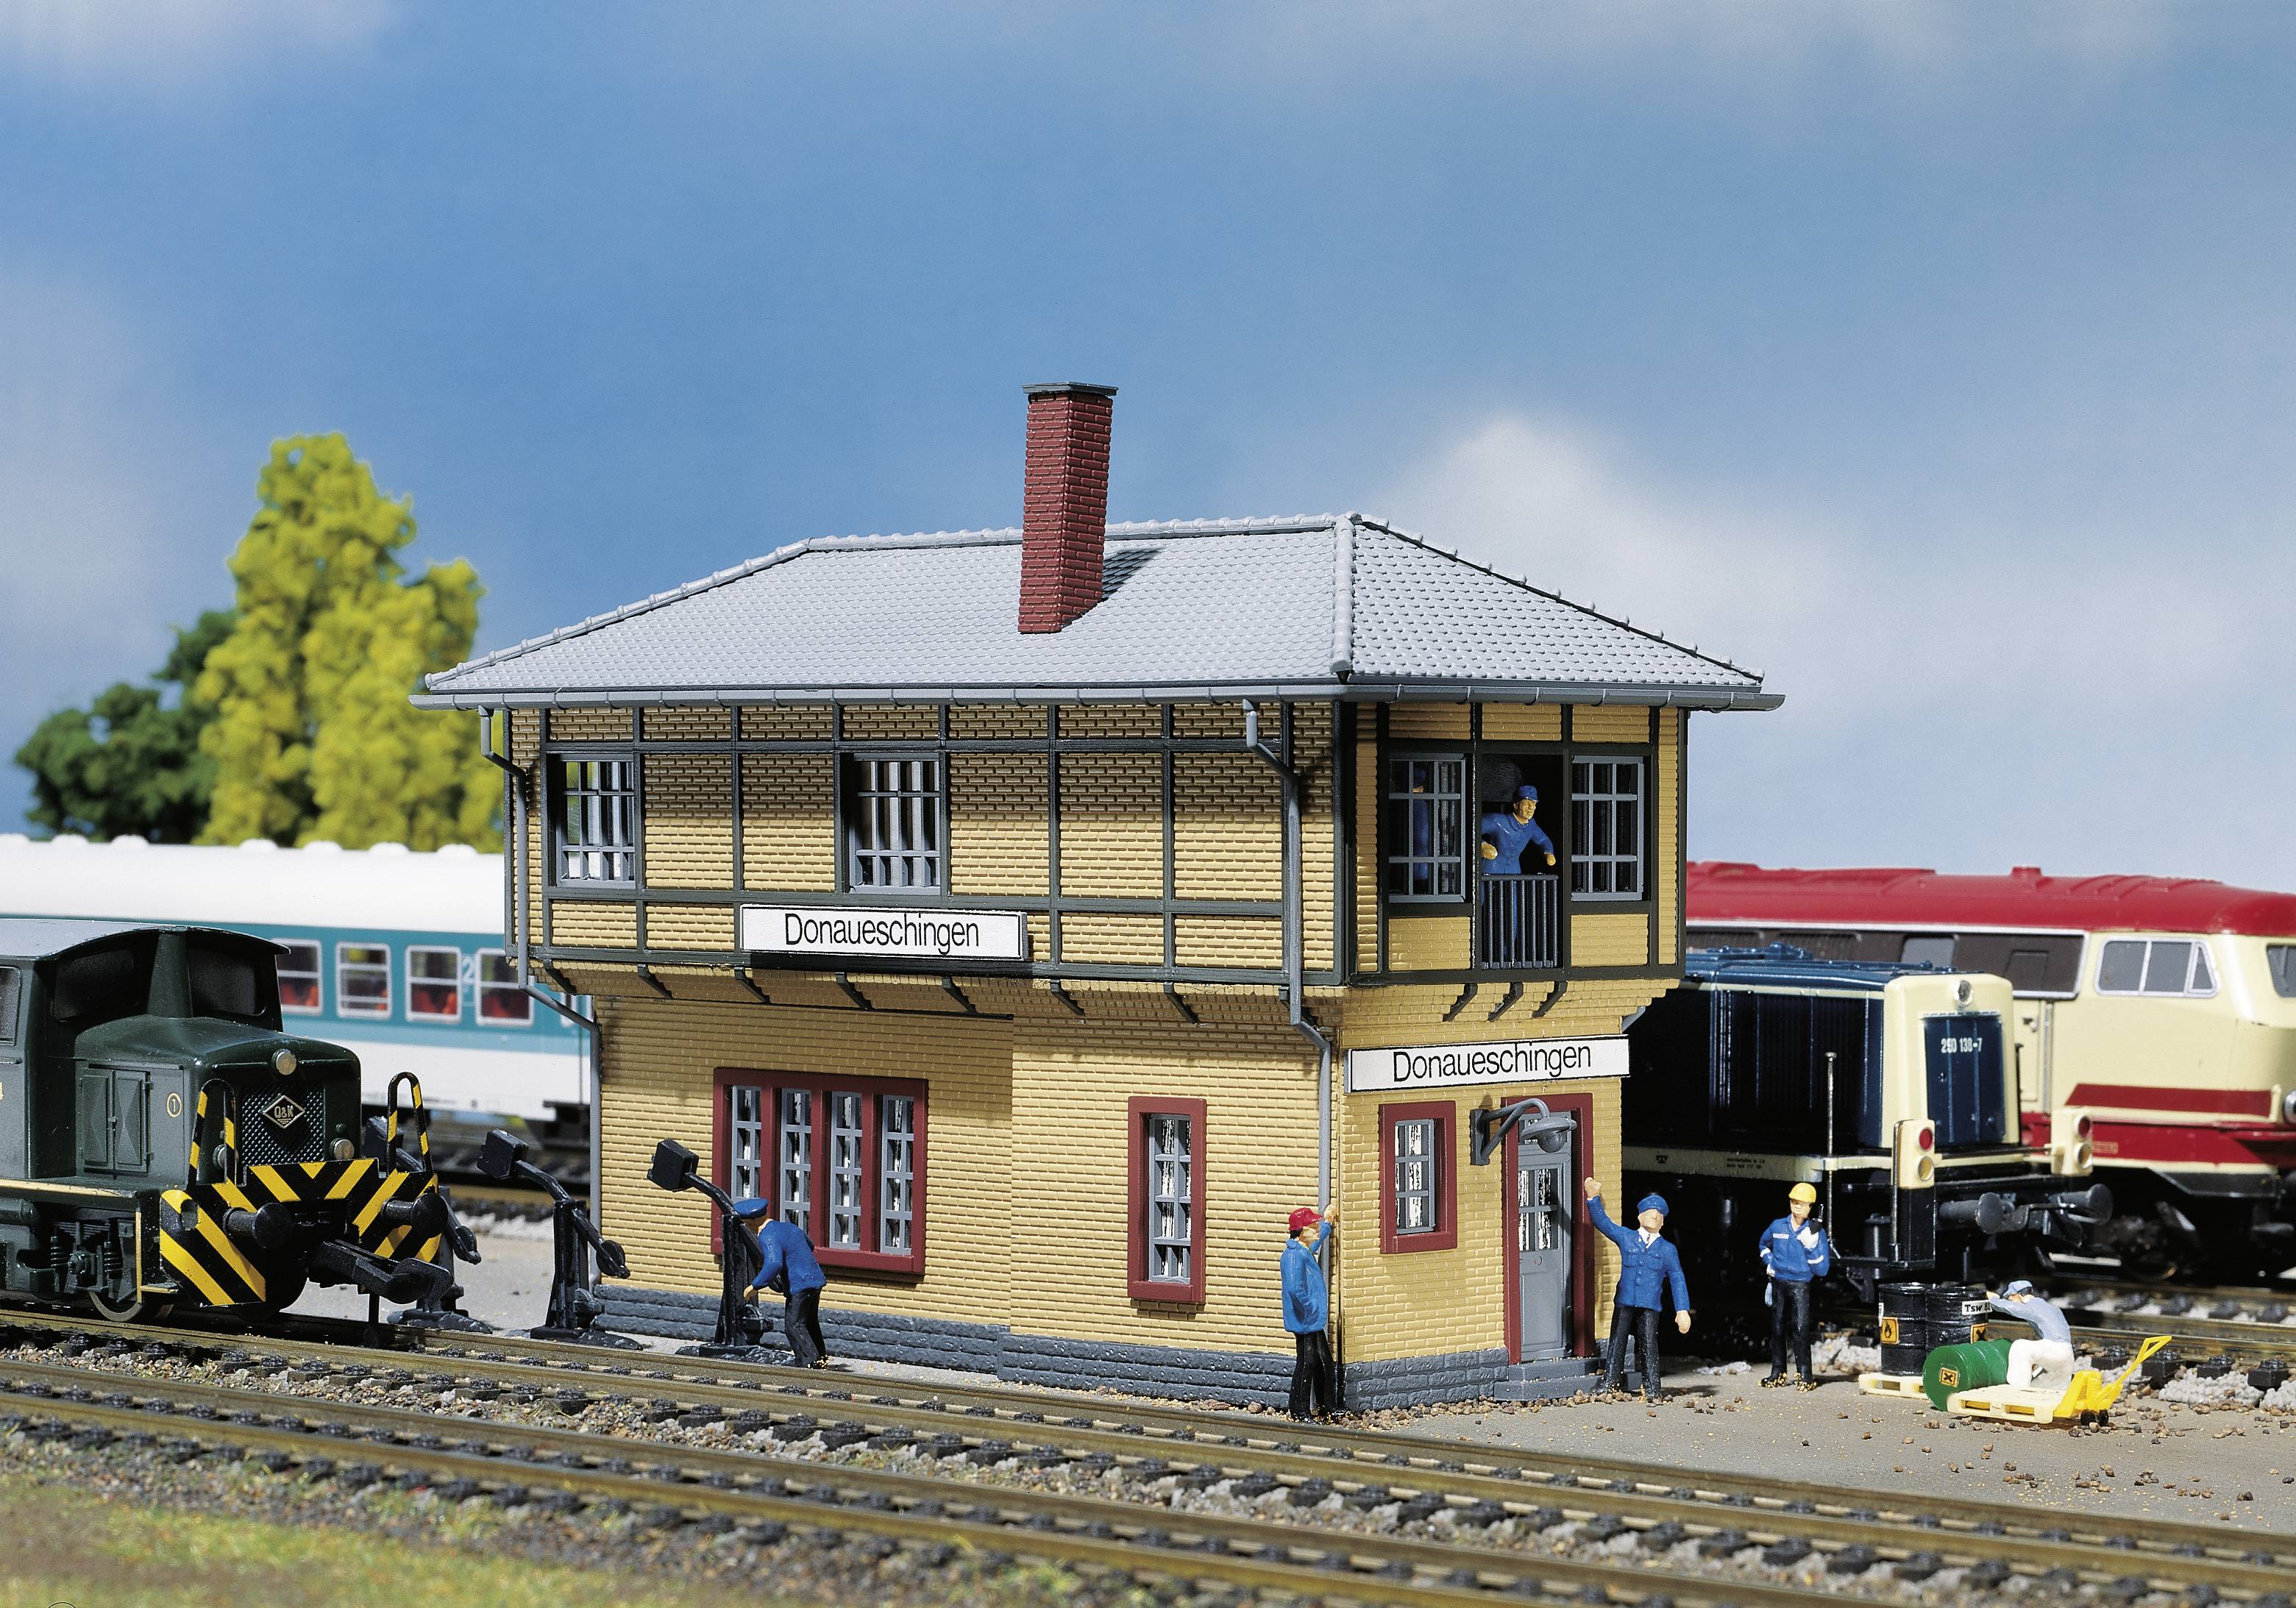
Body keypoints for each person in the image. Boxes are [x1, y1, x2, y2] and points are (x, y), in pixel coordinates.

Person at [1583, 1178, 1691, 1401]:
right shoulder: (1627, 1237)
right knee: (1617, 1341)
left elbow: (1678, 1279)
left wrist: (1682, 1310)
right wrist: (1593, 1198)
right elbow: (1604, 1224)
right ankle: (1610, 1382)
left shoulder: (1668, 1250)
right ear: (1640, 1216)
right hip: (1624, 1300)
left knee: (1649, 1343)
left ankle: (1652, 1388)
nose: (1655, 1216)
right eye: (1651, 1212)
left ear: (1663, 1221)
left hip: (1650, 1303)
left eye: (1659, 1214)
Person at [733, 1197, 831, 1368]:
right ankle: (820, 1358)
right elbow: (810, 1244)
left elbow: (774, 1263)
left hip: (799, 1284)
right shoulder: (789, 1227)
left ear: (755, 1221)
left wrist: (755, 1286)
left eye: (747, 1223)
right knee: (810, 1322)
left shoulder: (767, 1235)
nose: (747, 1226)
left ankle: (810, 1363)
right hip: (815, 1280)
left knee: (793, 1325)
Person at [1758, 1181, 1833, 1390]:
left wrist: (1810, 1247)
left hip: (1800, 1285)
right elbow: (1763, 1244)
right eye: (1794, 1201)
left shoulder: (1815, 1233)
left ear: (1811, 1207)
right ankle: (1777, 1372)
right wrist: (1769, 1263)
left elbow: (1822, 1270)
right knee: (1777, 1327)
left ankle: (1805, 1376)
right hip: (1779, 1282)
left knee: (1800, 1329)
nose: (1797, 1206)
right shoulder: (1777, 1226)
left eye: (1802, 1203)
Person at [1282, 1204, 1340, 1420]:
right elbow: (1295, 1290)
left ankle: (1328, 1406)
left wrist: (1327, 1222)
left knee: (1324, 1359)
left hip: (1312, 1319)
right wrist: (1311, 1308)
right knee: (1306, 1364)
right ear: (1303, 1230)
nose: (1316, 1229)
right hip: (1305, 1319)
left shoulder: (1303, 1248)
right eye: (1313, 1226)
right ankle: (1299, 1410)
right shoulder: (1294, 1257)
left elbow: (1317, 1238)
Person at [1988, 1279, 2075, 1392]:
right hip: (2068, 1355)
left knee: (2021, 1346)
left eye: (2011, 1297)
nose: (2010, 1300)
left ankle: (2018, 1391)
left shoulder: (2033, 1304)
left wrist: (1994, 1299)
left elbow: (2012, 1308)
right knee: (2046, 1388)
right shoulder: (2052, 1308)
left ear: (2019, 1295)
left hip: (2055, 1349)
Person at [1479, 784, 1557, 874]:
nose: (1531, 808)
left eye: (1534, 804)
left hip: (1514, 870)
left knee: (1515, 887)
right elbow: (1471, 831)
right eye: (1527, 803)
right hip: (1492, 868)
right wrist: (1482, 845)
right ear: (1516, 805)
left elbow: (1543, 840)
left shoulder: (1531, 826)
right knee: (1486, 887)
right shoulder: (1497, 821)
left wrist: (1548, 852)